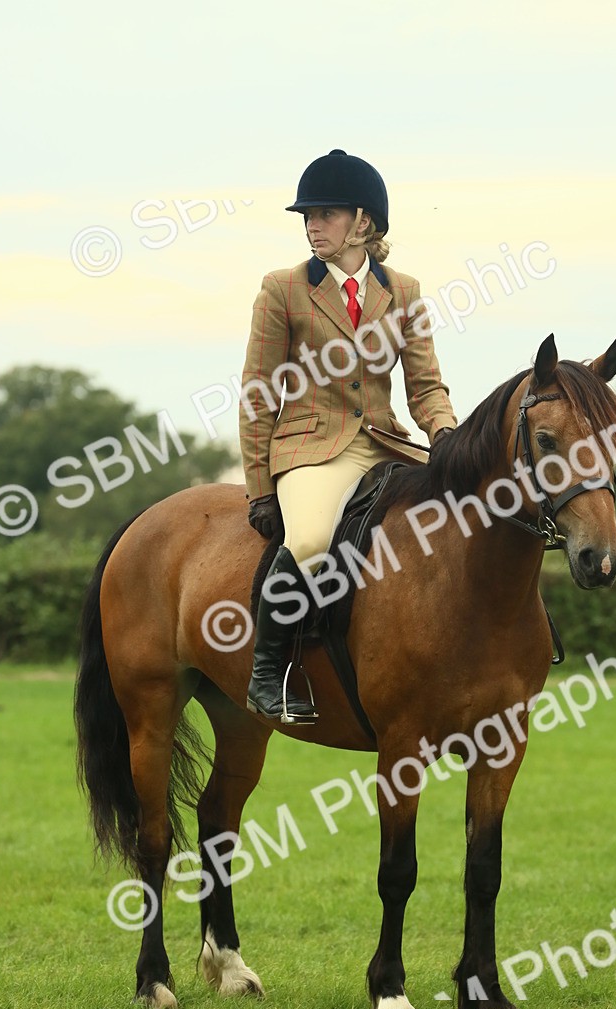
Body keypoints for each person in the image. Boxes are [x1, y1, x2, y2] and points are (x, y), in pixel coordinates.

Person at [239, 148, 457, 724]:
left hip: (386, 442)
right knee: (310, 541)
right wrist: (260, 487)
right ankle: (267, 674)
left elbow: (427, 385)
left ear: (364, 222)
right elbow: (258, 392)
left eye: (326, 214)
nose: (313, 226)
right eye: (307, 216)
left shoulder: (404, 292)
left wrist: (445, 434)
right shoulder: (283, 289)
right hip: (312, 444)